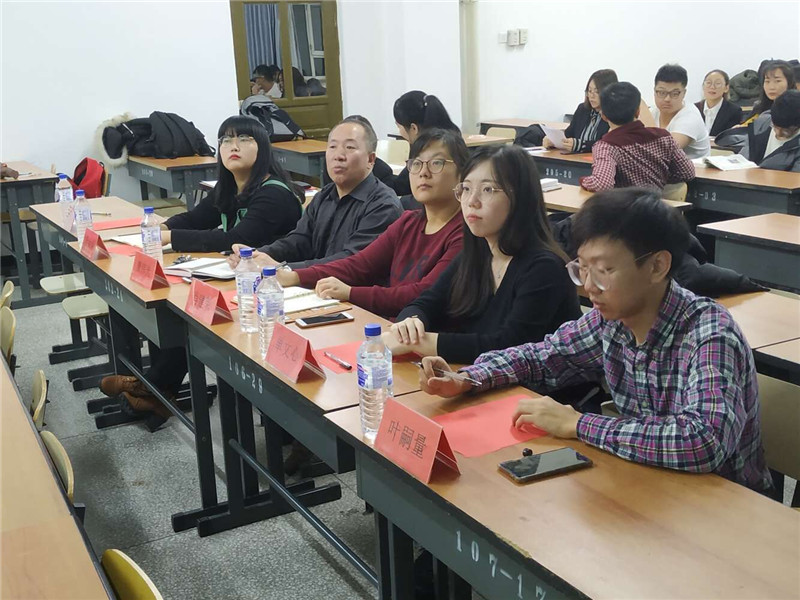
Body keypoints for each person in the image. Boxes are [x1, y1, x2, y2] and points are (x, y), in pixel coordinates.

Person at [420, 189, 772, 494]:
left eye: (603, 271)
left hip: (725, 504)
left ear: (657, 267)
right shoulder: (611, 321)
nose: (588, 286)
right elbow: (543, 357)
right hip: (648, 483)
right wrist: (469, 378)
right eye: (582, 269)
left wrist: (578, 424)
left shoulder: (709, 333)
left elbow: (703, 441)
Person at [386, 144, 581, 364]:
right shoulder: (477, 254)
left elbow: (510, 346)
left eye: (488, 189)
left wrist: (420, 342)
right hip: (478, 377)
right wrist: (410, 324)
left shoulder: (545, 267)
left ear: (520, 197)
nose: (472, 201)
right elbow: (425, 303)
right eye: (466, 189)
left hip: (535, 384)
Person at [277, 129, 467, 318]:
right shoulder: (408, 222)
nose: (424, 173)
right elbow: (359, 265)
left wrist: (350, 293)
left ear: (463, 173)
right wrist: (294, 275)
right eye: (416, 164)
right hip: (393, 327)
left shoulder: (465, 232)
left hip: (427, 332)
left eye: (436, 163)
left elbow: (424, 294)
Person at [229, 115, 402, 270]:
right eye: (332, 146)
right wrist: (258, 255)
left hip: (355, 292)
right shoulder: (325, 196)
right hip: (319, 288)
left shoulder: (383, 205)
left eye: (349, 147)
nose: (338, 155)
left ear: (370, 160)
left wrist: (285, 269)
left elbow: (351, 261)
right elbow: (300, 241)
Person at [161, 116, 302, 252]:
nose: (234, 147)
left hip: (277, 266)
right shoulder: (229, 187)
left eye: (244, 139)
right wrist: (163, 228)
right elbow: (196, 219)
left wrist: (170, 237)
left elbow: (237, 240)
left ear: (262, 148)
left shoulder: (274, 194)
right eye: (226, 140)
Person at [580, 82, 695, 192]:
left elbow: (602, 184)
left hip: (623, 204)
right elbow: (687, 172)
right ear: (638, 111)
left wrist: (584, 180)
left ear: (604, 116)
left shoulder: (606, 146)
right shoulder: (664, 137)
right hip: (656, 204)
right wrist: (661, 178)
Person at [391, 91, 461, 195]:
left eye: (399, 127)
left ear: (413, 128)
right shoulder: (453, 138)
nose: (424, 172)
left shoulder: (428, 150)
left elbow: (400, 188)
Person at [544, 69, 617, 153]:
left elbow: (606, 144)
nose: (591, 96)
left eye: (597, 92)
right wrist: (554, 141)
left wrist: (580, 145)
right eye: (589, 91)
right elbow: (569, 134)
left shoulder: (613, 116)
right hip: (575, 158)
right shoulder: (582, 109)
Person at [650, 64, 710, 159]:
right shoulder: (653, 111)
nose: (667, 99)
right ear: (654, 91)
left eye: (674, 94)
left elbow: (663, 151)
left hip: (697, 168)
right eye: (662, 93)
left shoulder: (690, 117)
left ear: (684, 93)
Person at [742, 89, 800, 172]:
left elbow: (794, 177)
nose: (778, 133)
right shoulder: (761, 124)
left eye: (786, 131)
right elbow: (743, 156)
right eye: (774, 127)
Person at [742, 60, 795, 125]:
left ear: (790, 83)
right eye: (767, 81)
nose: (771, 87)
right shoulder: (759, 108)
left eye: (777, 81)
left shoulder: (796, 110)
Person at [694, 70, 743, 136]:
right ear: (703, 86)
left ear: (726, 88)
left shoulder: (734, 111)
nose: (712, 87)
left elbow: (730, 137)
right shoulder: (694, 109)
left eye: (717, 83)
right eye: (708, 83)